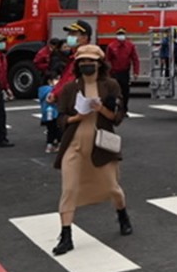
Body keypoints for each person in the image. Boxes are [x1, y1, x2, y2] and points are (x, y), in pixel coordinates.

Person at [50, 44, 131, 256]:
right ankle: (66, 235)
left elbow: (117, 117)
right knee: (69, 190)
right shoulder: (70, 88)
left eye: (91, 61)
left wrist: (100, 108)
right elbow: (60, 118)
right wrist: (75, 118)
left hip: (101, 145)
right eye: (83, 61)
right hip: (74, 145)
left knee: (112, 187)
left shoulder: (110, 85)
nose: (87, 65)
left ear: (99, 64)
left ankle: (122, 214)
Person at [102, 28, 140, 115]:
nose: (121, 36)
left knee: (125, 92)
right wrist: (107, 73)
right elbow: (108, 60)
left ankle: (124, 109)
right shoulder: (111, 46)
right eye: (119, 34)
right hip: (114, 72)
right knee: (113, 92)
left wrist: (136, 72)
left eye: (122, 34)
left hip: (125, 72)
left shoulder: (130, 46)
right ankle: (113, 109)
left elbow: (135, 59)